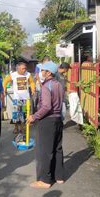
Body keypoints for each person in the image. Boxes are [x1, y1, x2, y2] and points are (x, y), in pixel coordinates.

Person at [27, 61, 65, 189]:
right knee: (57, 148)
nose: (40, 73)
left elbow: (46, 106)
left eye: (42, 70)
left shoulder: (46, 86)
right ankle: (58, 176)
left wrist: (34, 116)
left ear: (48, 72)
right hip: (58, 119)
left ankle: (45, 180)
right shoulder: (58, 84)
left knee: (45, 151)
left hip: (48, 120)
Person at [2, 62, 36, 135]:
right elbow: (5, 81)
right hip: (17, 98)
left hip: (25, 98)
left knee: (24, 113)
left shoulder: (28, 74)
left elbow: (32, 82)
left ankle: (22, 127)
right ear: (18, 69)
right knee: (16, 114)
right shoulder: (13, 75)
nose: (25, 70)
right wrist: (4, 89)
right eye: (23, 69)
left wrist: (33, 89)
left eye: (25, 68)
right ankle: (16, 127)